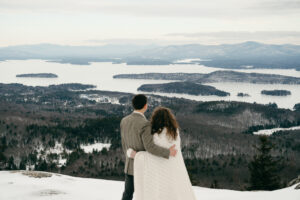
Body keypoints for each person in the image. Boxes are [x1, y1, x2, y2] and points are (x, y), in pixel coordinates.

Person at [127, 106, 197, 200]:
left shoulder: (155, 136)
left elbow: (153, 154)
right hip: (173, 175)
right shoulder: (175, 134)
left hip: (159, 178)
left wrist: (135, 155)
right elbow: (170, 154)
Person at [120, 94, 178, 200]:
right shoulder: (145, 124)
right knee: (144, 195)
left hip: (129, 165)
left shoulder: (124, 121)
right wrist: (168, 152)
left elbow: (124, 144)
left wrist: (129, 156)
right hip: (143, 166)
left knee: (127, 194)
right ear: (145, 106)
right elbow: (150, 147)